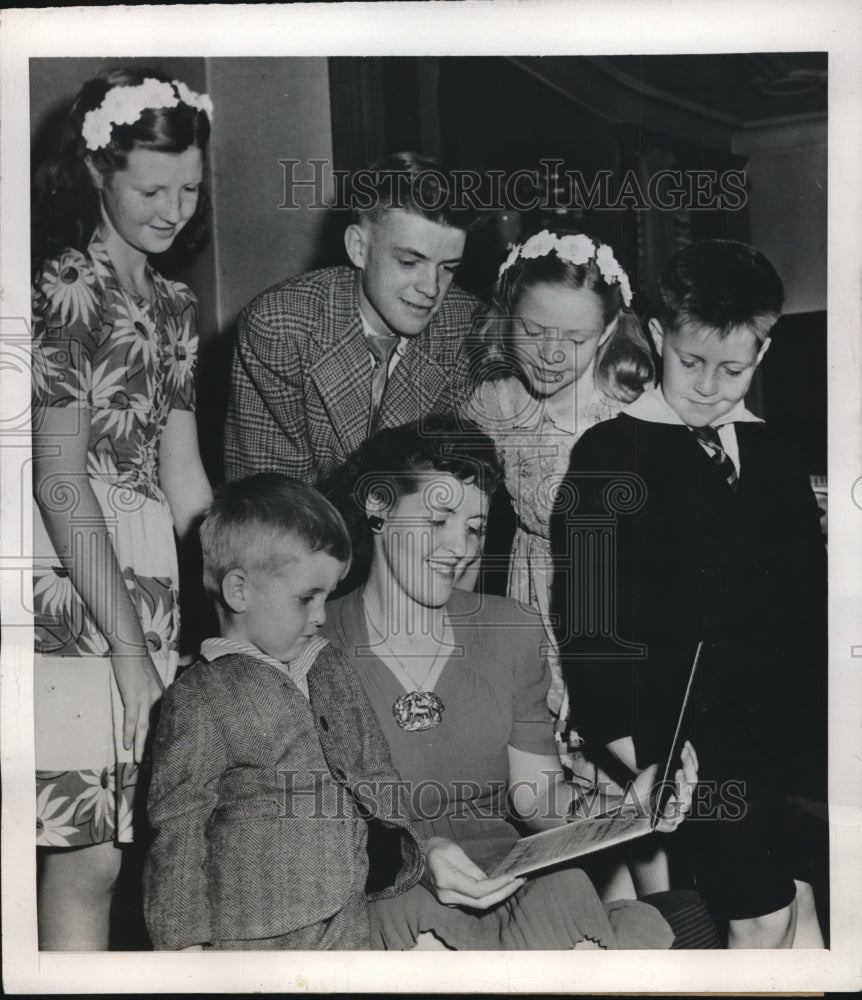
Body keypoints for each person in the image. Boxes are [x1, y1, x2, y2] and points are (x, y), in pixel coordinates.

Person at [320, 416, 707, 951]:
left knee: (565, 888)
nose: (460, 547)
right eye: (438, 520)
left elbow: (537, 794)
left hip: (508, 875)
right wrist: (414, 854)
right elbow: (297, 818)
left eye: (475, 528)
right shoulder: (313, 642)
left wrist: (626, 813)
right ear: (378, 508)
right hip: (383, 881)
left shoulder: (510, 631)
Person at [551, 240, 827, 948]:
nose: (708, 385)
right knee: (759, 916)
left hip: (784, 743)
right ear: (655, 336)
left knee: (800, 909)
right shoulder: (608, 455)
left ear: (762, 354)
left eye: (732, 369)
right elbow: (588, 623)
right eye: (691, 362)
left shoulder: (774, 455)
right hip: (677, 743)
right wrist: (631, 751)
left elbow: (807, 605)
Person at [31, 68, 215, 950]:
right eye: (152, 188)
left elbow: (183, 477)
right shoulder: (65, 284)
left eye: (189, 188)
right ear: (97, 172)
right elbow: (59, 480)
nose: (174, 208)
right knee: (85, 851)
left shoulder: (175, 306)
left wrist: (234, 595)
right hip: (72, 583)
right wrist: (129, 651)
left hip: (152, 582)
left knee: (126, 847)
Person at [143, 474, 423, 950]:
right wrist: (184, 946)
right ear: (239, 591)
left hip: (347, 910)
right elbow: (179, 823)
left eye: (327, 597)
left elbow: (375, 764)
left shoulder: (330, 664)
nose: (321, 616)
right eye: (305, 598)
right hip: (253, 930)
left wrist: (414, 846)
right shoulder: (200, 695)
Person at [463, 228, 654, 734]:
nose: (550, 354)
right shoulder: (496, 402)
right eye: (532, 331)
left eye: (574, 339)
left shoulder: (634, 410)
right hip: (525, 598)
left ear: (609, 330)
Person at [224, 151, 481, 485]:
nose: (431, 288)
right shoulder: (279, 326)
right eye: (408, 262)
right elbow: (270, 502)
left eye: (448, 268)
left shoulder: (469, 328)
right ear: (358, 248)